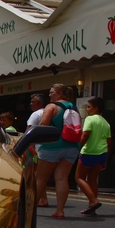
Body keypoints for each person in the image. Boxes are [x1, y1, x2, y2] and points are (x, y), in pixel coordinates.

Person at [36, 84, 80, 218]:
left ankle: (29, 209)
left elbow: (43, 124)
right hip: (72, 146)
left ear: (59, 94)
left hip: (52, 146)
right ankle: (60, 211)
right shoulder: (73, 107)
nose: (49, 95)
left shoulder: (51, 106)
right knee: (62, 178)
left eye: (51, 92)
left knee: (40, 178)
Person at [75, 96, 112, 215]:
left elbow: (85, 135)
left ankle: (93, 200)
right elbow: (109, 142)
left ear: (96, 108)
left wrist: (78, 147)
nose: (87, 109)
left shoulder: (90, 119)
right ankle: (92, 208)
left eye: (89, 107)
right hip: (102, 153)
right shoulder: (106, 123)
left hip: (89, 152)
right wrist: (105, 158)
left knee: (79, 178)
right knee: (92, 180)